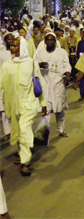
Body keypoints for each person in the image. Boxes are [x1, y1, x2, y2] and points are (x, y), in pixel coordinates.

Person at [0, 38, 47, 176]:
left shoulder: (31, 63)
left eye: (15, 45)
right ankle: (22, 153)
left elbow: (40, 83)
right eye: (11, 46)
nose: (12, 48)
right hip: (13, 105)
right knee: (18, 131)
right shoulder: (7, 65)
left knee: (25, 129)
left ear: (23, 47)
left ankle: (25, 162)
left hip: (28, 104)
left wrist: (43, 103)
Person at [34, 33, 71, 138]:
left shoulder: (62, 52)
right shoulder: (40, 53)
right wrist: (39, 65)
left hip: (58, 83)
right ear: (44, 42)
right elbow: (33, 64)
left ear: (55, 41)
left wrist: (67, 76)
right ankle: (44, 132)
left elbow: (66, 65)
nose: (49, 42)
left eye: (51, 40)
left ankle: (61, 129)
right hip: (45, 83)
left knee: (60, 109)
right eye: (47, 40)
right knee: (46, 108)